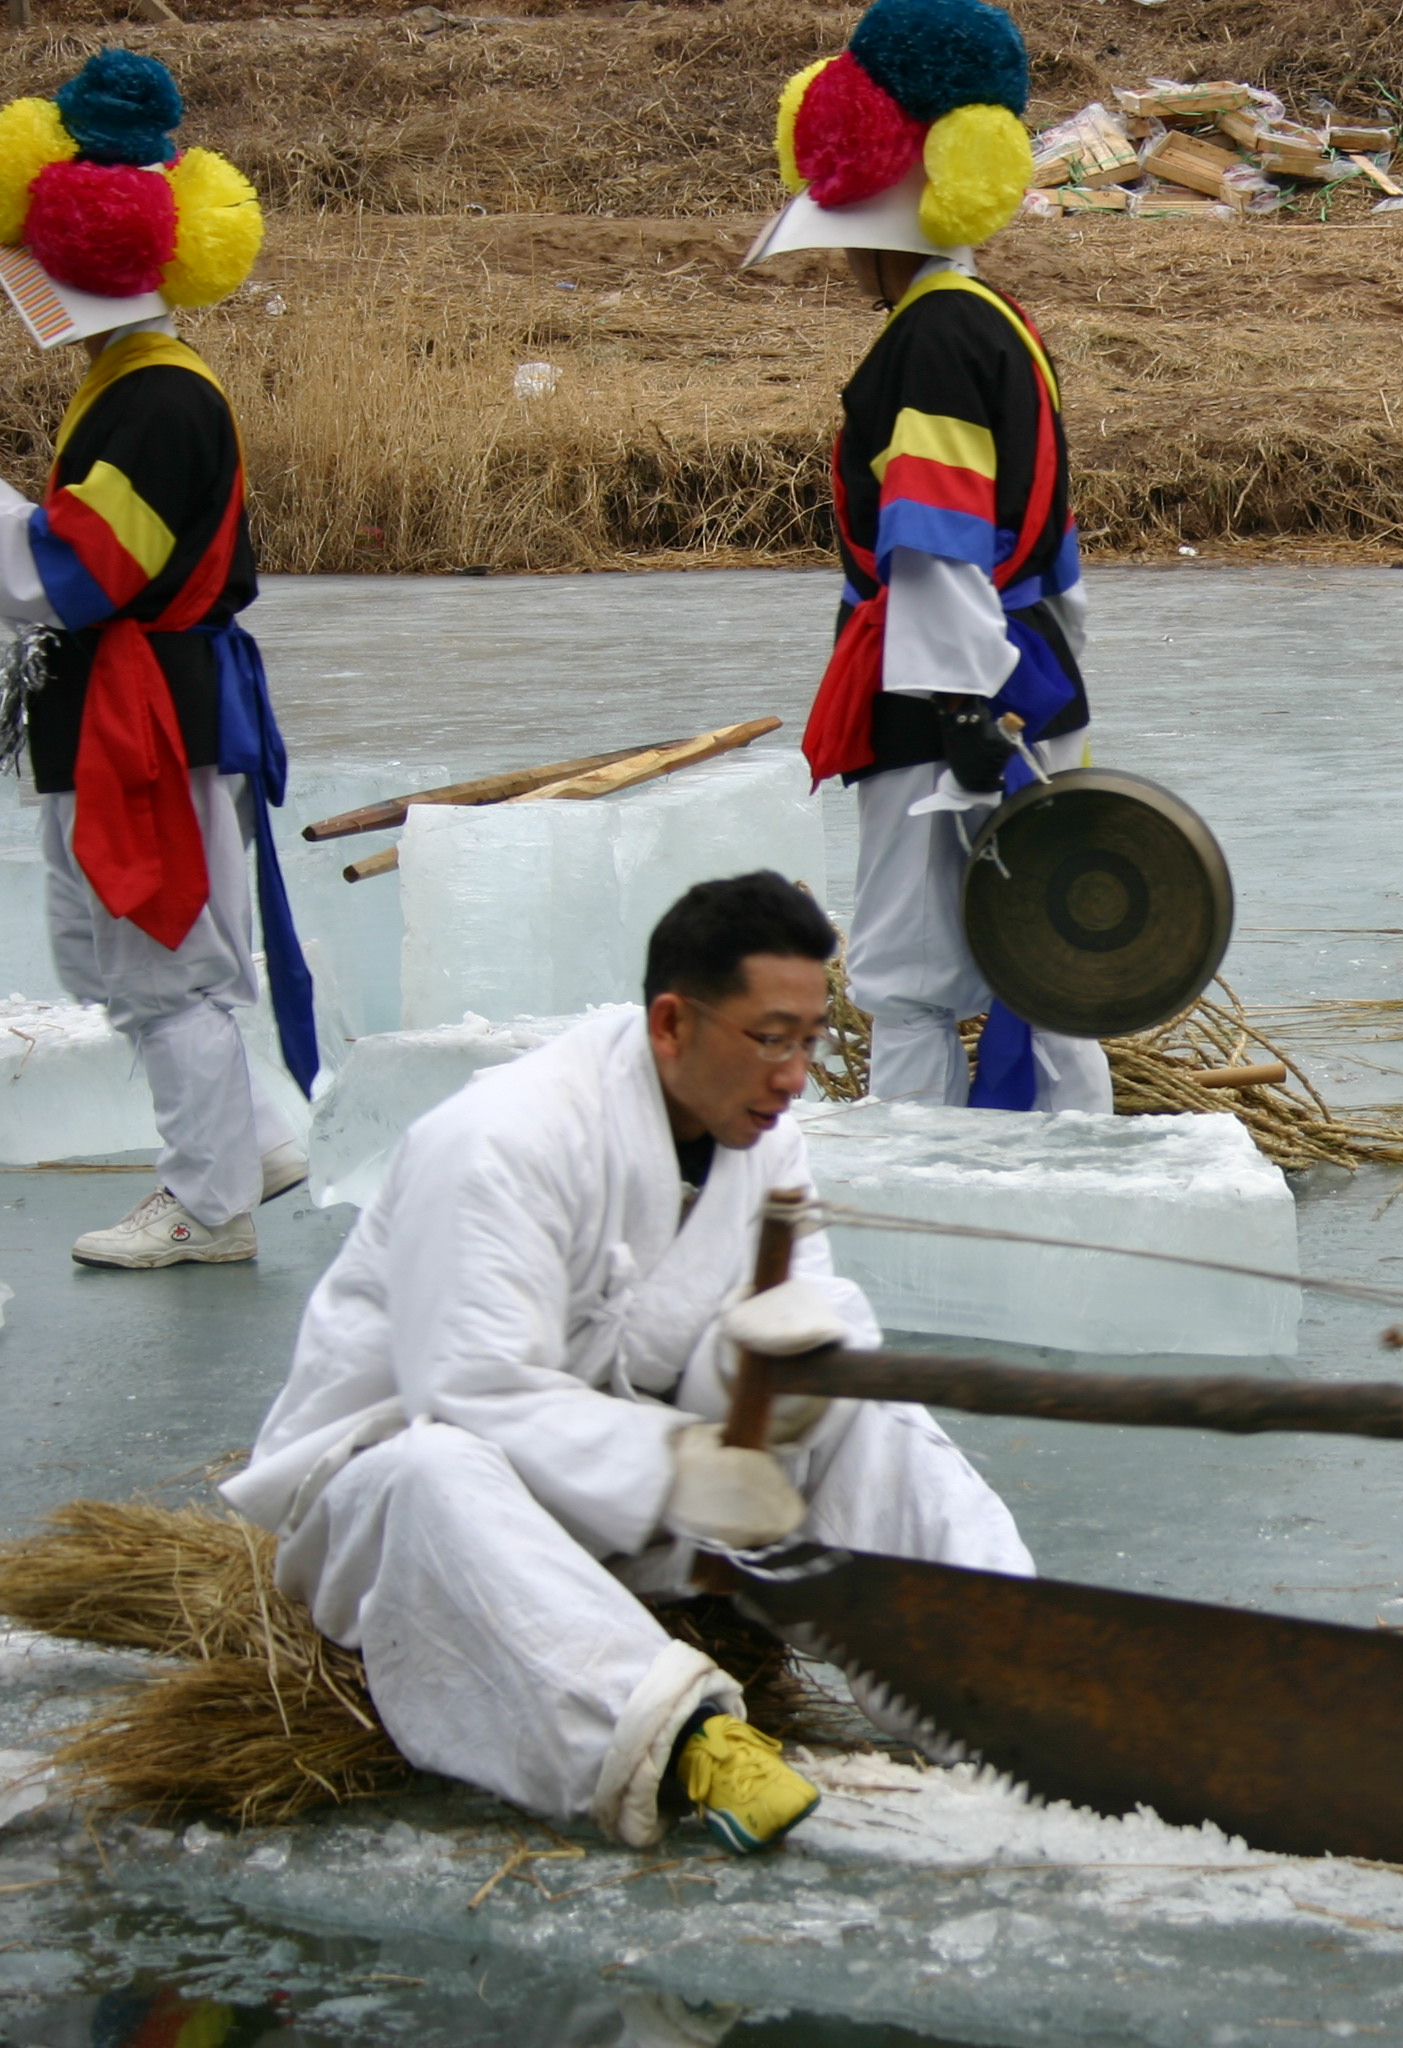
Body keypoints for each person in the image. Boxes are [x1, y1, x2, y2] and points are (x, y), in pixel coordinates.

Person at [220, 874, 1034, 1856]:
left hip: (644, 1502)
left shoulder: (763, 1143)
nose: (794, 1074)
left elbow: (776, 1323)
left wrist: (785, 1375)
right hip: (421, 1520)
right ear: (670, 1021)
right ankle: (679, 1737)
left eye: (809, 1040)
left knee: (861, 1408)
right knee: (430, 1470)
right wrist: (696, 1465)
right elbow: (474, 1389)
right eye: (771, 1036)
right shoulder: (501, 1140)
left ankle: (998, 1669)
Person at [766, 0, 1110, 1117]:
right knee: (1046, 955)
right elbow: (1047, 552)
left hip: (942, 694)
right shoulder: (1000, 320)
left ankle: (914, 1189)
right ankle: (1077, 1173)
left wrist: (964, 714)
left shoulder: (932, 337)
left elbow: (933, 540)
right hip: (1027, 672)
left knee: (909, 981)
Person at [0, 52, 314, 1268]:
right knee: (131, 954)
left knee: (163, 954)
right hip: (135, 708)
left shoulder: (158, 400)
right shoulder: (131, 384)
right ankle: (254, 1143)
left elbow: (74, 576)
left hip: (149, 717)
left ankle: (210, 1201)